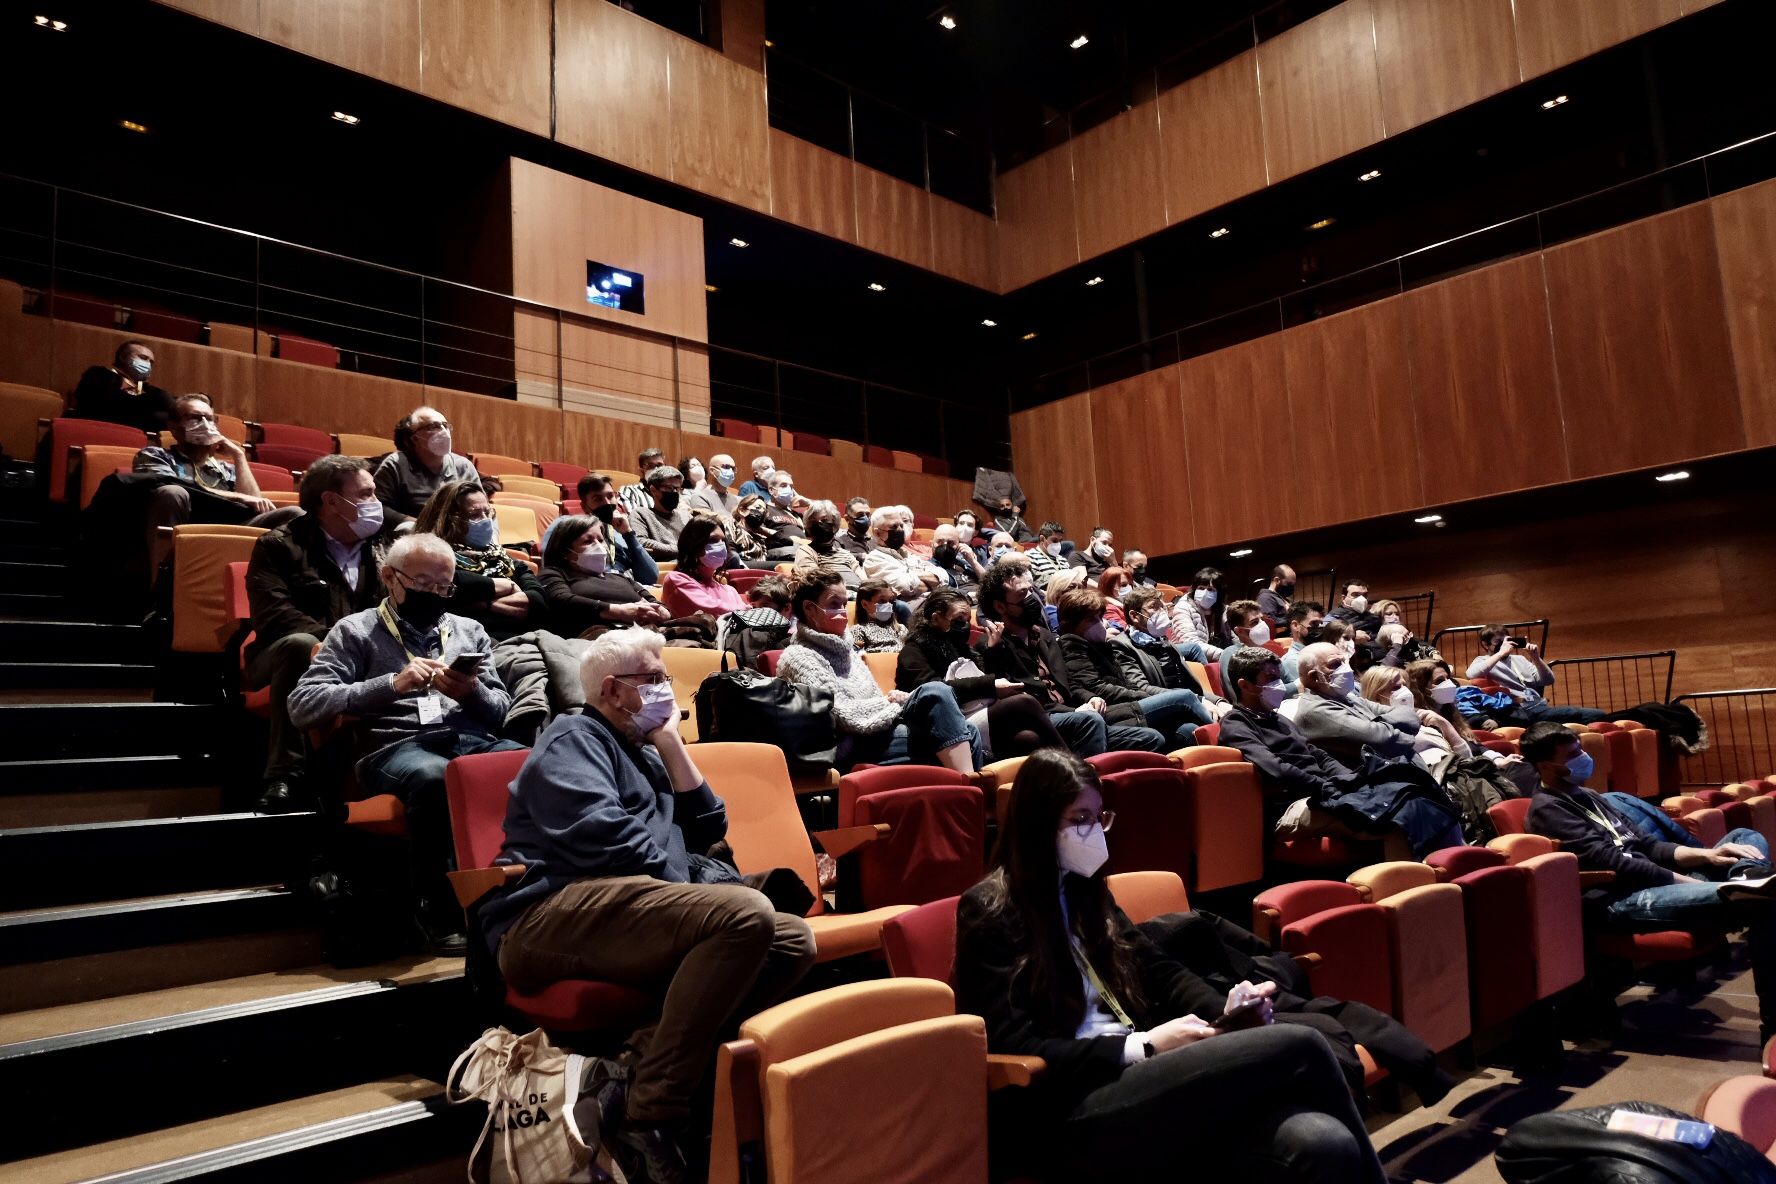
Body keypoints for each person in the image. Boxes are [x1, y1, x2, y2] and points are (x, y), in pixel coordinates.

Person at [954, 749, 1387, 1184]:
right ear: (1037, 825)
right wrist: (1144, 1047)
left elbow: (1159, 968)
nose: (1093, 832)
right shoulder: (990, 910)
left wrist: (1228, 1010)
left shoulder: (1086, 891)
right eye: (1079, 819)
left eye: (1098, 817)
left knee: (1324, 1142)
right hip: (1076, 1102)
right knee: (1303, 1043)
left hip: (1147, 1079)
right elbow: (1015, 1042)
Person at [477, 627, 816, 1183]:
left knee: (791, 938)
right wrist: (695, 890)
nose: (667, 690)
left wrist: (672, 744)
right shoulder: (573, 737)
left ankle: (631, 1071)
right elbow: (602, 837)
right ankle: (649, 1115)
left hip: (628, 910)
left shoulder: (645, 750)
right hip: (547, 915)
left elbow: (708, 825)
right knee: (743, 914)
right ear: (612, 689)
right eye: (655, 679)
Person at [286, 532, 523, 953]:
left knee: (528, 765)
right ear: (390, 578)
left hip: (466, 738)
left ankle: (519, 897)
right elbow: (303, 704)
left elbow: (501, 709)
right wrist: (390, 685)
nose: (434, 594)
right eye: (422, 585)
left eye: (443, 587)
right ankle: (437, 908)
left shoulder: (468, 631)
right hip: (394, 746)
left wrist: (471, 693)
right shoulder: (355, 631)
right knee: (436, 778)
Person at [1522, 721, 1776, 1041]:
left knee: (1743, 836)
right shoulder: (1548, 809)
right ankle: (1773, 1027)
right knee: (1765, 905)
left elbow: (1649, 846)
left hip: (1657, 883)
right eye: (1572, 754)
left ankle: (1749, 877)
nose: (1583, 757)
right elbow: (1617, 864)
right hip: (1622, 898)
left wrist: (1709, 856)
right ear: (1546, 765)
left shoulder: (1590, 795)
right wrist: (1690, 883)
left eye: (1581, 749)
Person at [245, 455, 398, 813]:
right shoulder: (279, 545)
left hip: (362, 654)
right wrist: (347, 642)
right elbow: (276, 616)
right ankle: (285, 773)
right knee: (303, 644)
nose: (376, 502)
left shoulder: (382, 547)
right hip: (279, 656)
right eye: (366, 493)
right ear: (331, 501)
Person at [1217, 647, 1461, 861]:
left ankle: (1446, 875)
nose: (1278, 684)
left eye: (1278, 677)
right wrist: (1325, 786)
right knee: (1395, 822)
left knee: (1420, 802)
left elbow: (1318, 755)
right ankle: (1407, 896)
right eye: (1269, 678)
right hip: (1291, 806)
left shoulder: (1279, 719)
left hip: (1322, 794)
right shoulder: (1236, 724)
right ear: (1245, 685)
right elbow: (1275, 767)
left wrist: (1348, 779)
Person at [777, 571, 982, 773]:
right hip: (848, 746)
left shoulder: (846, 652)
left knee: (967, 730)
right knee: (939, 698)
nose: (841, 610)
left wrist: (892, 701)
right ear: (809, 609)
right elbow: (840, 714)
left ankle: (961, 794)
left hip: (876, 732)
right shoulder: (798, 657)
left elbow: (873, 704)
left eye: (842, 603)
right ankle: (970, 788)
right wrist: (892, 702)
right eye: (833, 604)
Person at [976, 561, 1168, 756]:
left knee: (1152, 738)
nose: (1032, 598)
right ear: (1000, 606)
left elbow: (1071, 682)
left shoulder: (1044, 635)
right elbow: (1006, 699)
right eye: (1022, 594)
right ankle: (1084, 780)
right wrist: (994, 652)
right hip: (1045, 719)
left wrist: (1090, 698)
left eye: (1031, 590)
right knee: (1091, 720)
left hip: (1074, 711)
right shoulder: (990, 645)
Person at [133, 392, 296, 581]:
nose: (205, 424)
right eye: (195, 418)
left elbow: (256, 506)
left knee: (294, 514)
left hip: (227, 528)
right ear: (174, 428)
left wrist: (239, 455)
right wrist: (238, 497)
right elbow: (165, 483)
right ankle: (162, 589)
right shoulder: (155, 455)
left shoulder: (226, 469)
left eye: (209, 419)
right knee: (172, 492)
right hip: (184, 524)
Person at [895, 588, 1066, 759]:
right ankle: (1074, 765)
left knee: (1029, 740)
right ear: (936, 618)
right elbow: (935, 690)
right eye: (959, 619)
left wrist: (993, 650)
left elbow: (990, 680)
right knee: (1025, 702)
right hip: (944, 724)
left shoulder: (964, 648)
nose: (966, 624)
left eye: (968, 619)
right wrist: (990, 686)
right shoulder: (913, 651)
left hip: (976, 712)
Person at [1055, 588, 1212, 748]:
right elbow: (1097, 688)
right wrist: (1141, 696)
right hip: (1111, 710)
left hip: (1126, 706)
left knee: (1188, 730)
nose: (1100, 623)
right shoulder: (1071, 646)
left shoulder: (1100, 647)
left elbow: (1125, 682)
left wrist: (1138, 694)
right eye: (1091, 619)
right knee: (1184, 696)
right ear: (1073, 623)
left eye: (1099, 617)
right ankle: (1228, 737)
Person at [411, 480, 545, 643]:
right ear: (449, 520)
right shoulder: (431, 562)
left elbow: (538, 602)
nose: (486, 520)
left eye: (488, 513)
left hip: (526, 640)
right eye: (474, 515)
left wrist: (482, 604)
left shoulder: (503, 559)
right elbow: (454, 585)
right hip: (473, 644)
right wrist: (507, 585)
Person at [1292, 642, 1428, 768]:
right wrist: (1384, 730)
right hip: (1372, 785)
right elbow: (1384, 740)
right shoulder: (1314, 711)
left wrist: (1375, 725)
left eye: (1344, 661)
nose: (1346, 669)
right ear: (1314, 676)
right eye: (1335, 664)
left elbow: (1409, 715)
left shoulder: (1348, 698)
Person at [539, 515, 670, 637]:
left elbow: (655, 603)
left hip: (651, 633)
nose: (598, 546)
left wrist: (661, 612)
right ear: (565, 551)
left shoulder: (622, 578)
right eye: (588, 541)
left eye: (601, 540)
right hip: (600, 637)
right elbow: (561, 601)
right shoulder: (553, 574)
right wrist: (620, 611)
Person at [1466, 625, 1608, 724]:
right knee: (1595, 715)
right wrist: (1501, 653)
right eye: (1498, 642)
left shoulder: (1519, 659)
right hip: (1519, 710)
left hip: (1537, 705)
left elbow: (1548, 680)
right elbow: (1471, 674)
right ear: (1485, 644)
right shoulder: (1483, 661)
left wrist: (1536, 658)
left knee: (1594, 716)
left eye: (1505, 641)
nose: (1504, 645)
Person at [1121, 591, 1230, 718]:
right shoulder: (1122, 646)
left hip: (1188, 703)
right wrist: (1197, 700)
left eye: (1162, 607)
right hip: (1162, 712)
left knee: (1229, 713)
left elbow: (1190, 685)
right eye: (1154, 607)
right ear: (1135, 616)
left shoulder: (1163, 640)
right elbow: (1141, 688)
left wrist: (1217, 701)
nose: (1161, 612)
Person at [1357, 665, 1471, 783]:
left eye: (1405, 685)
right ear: (1377, 697)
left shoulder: (1423, 719)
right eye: (1396, 687)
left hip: (1464, 775)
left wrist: (1445, 725)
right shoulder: (1382, 733)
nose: (1405, 691)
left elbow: (1467, 757)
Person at [547, 473, 659, 585]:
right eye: (598, 499)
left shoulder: (622, 534)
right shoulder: (568, 529)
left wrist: (628, 534)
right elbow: (552, 569)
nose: (607, 503)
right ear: (584, 506)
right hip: (587, 588)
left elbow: (650, 577)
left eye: (610, 496)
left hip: (625, 588)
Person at [374, 406, 480, 519]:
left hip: (458, 530)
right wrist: (409, 522)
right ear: (415, 439)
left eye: (445, 426)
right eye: (433, 426)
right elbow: (378, 505)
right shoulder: (395, 464)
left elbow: (482, 506)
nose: (444, 432)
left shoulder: (464, 466)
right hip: (412, 532)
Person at [71, 340, 174, 432]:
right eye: (143, 358)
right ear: (123, 357)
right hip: (95, 431)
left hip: (132, 436)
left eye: (151, 362)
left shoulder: (145, 389)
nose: (148, 364)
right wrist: (159, 397)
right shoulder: (98, 374)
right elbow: (114, 405)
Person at [660, 515, 747, 619]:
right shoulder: (676, 579)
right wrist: (745, 611)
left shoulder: (730, 590)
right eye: (713, 540)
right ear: (694, 544)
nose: (721, 545)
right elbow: (710, 612)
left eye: (723, 540)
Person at [862, 506, 942, 604]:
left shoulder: (907, 554)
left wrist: (909, 575)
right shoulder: (874, 559)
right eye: (894, 527)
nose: (900, 530)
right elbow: (905, 587)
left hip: (933, 601)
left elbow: (943, 576)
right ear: (877, 532)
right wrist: (932, 582)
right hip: (913, 609)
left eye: (901, 526)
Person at [792, 499, 862, 589]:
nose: (819, 524)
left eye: (824, 520)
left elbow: (864, 580)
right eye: (813, 522)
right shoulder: (806, 551)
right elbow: (813, 582)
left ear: (834, 523)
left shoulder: (846, 554)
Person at [630, 465, 689, 561]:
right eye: (669, 488)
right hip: (664, 568)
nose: (674, 492)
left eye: (677, 488)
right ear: (653, 490)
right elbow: (640, 542)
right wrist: (679, 549)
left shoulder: (685, 516)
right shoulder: (641, 514)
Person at [1217, 599, 1273, 697]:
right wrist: (1295, 686)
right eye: (1254, 622)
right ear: (1240, 631)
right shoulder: (1232, 654)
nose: (1262, 625)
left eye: (1261, 619)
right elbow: (1244, 696)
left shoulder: (1267, 652)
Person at [1172, 567, 1225, 661]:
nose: (1205, 593)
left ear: (1219, 593)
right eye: (1201, 588)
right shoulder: (1183, 607)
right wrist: (1226, 655)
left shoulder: (1223, 610)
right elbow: (1191, 645)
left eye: (1210, 589)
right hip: (1191, 661)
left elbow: (1236, 640)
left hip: (1216, 658)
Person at [849, 579, 906, 653]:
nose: (888, 605)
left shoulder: (901, 629)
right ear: (865, 604)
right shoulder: (858, 630)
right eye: (882, 601)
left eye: (890, 600)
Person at [930, 521, 984, 597]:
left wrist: (973, 561)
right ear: (931, 544)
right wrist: (977, 595)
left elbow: (989, 582)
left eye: (950, 543)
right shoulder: (929, 567)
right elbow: (943, 592)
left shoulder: (964, 563)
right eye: (940, 542)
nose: (945, 546)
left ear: (959, 545)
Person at [1280, 601, 1326, 686]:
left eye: (1320, 624)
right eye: (1314, 623)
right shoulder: (1293, 661)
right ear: (1295, 626)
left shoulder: (1320, 652)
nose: (1319, 628)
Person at [688, 452, 739, 520]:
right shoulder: (700, 497)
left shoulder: (737, 500)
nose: (730, 471)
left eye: (733, 469)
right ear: (712, 470)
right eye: (726, 467)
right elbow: (708, 526)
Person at [618, 447, 665, 513]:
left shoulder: (672, 490)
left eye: (660, 465)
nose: (656, 469)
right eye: (650, 465)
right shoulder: (629, 491)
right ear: (641, 470)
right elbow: (633, 519)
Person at [1026, 521, 1068, 588]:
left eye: (1060, 541)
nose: (1058, 544)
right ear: (1042, 539)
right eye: (1054, 541)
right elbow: (1036, 581)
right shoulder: (1030, 557)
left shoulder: (1062, 559)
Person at [1257, 565, 1295, 629]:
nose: (1291, 587)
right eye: (1289, 584)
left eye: (1293, 585)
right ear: (1277, 580)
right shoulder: (1266, 598)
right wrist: (1293, 621)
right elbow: (1268, 623)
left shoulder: (1283, 598)